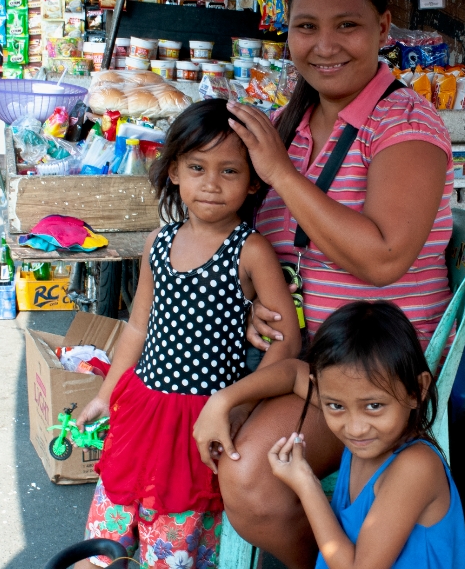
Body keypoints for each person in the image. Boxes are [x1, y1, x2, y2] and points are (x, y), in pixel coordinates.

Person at [199, 0, 454, 566]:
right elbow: (274, 244)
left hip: (373, 365)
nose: (325, 45)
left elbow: (384, 257)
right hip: (304, 355)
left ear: (383, 28)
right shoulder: (293, 121)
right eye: (306, 27)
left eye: (348, 26)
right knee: (189, 422)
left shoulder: (405, 124)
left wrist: (281, 175)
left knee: (252, 480)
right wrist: (257, 296)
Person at [73, 99, 301, 569]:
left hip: (201, 422)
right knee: (106, 537)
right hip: (141, 410)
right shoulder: (159, 240)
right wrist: (106, 393)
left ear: (254, 179)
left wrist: (244, 408)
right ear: (175, 170)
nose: (212, 184)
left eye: (230, 172)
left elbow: (288, 344)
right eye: (197, 167)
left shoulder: (252, 250)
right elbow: (138, 326)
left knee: (173, 548)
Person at [201, 301, 465, 569]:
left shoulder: (415, 467)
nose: (354, 427)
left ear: (416, 391)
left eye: (374, 406)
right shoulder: (363, 427)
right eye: (335, 406)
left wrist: (307, 485)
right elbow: (294, 373)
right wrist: (223, 401)